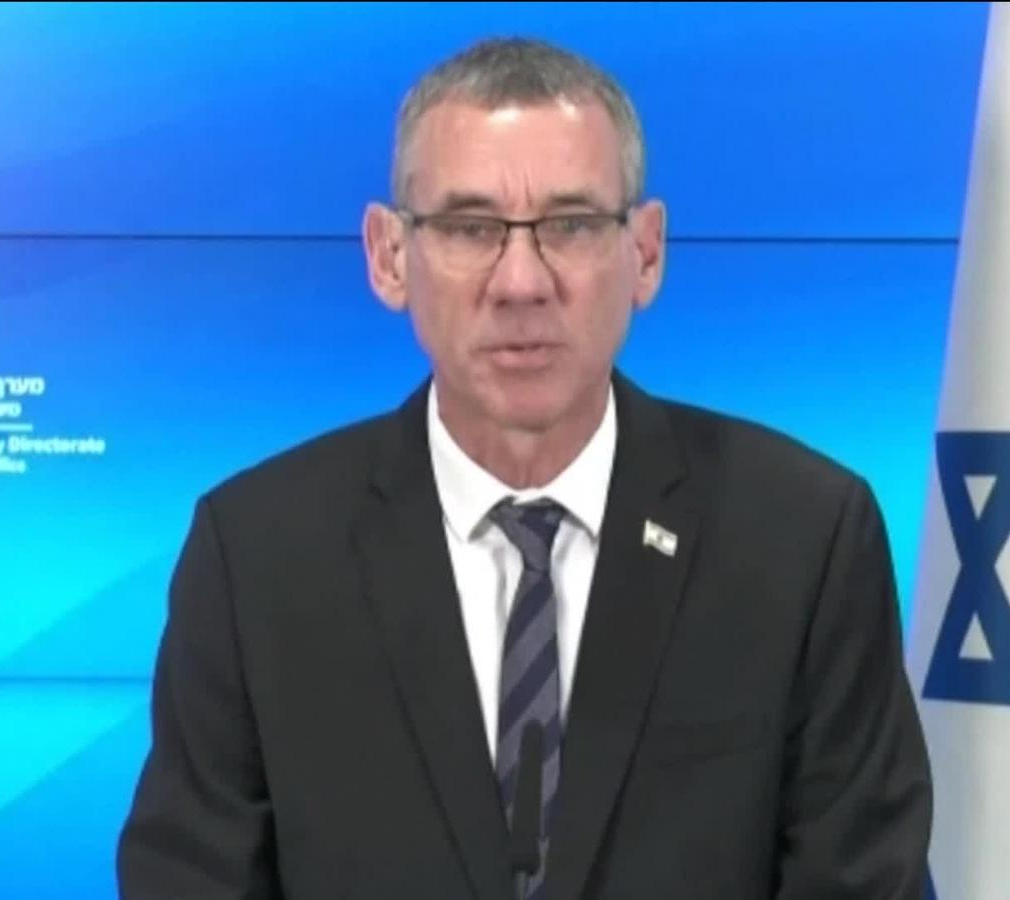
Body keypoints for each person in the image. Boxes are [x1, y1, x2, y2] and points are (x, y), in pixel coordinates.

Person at [117, 36, 931, 900]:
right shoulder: (256, 556)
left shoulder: (802, 538)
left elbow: (861, 877)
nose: (520, 283)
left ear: (645, 253)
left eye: (570, 226)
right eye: (470, 229)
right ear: (389, 256)